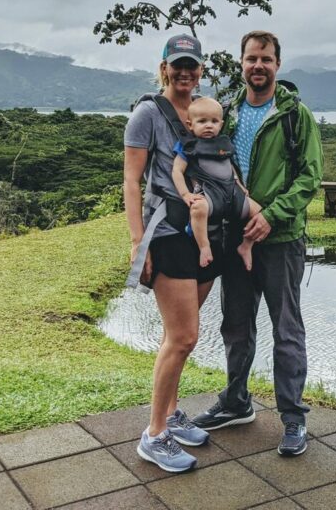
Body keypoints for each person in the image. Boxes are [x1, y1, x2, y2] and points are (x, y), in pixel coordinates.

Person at [191, 30, 324, 457]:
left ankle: (292, 419)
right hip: (234, 237)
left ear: (278, 65)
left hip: (280, 239)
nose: (258, 66)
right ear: (242, 63)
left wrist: (271, 215)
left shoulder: (293, 114)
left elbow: (309, 177)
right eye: (251, 58)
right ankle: (236, 401)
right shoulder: (226, 114)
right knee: (235, 324)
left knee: (286, 329)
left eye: (266, 59)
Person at [123, 34, 217, 473]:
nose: (185, 73)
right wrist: (137, 244)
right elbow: (132, 181)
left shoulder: (204, 112)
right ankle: (154, 434)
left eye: (192, 66)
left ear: (201, 70)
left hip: (202, 234)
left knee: (180, 336)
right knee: (183, 338)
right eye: (177, 65)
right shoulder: (147, 113)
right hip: (166, 231)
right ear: (164, 67)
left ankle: (172, 413)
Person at [170, 96, 263, 271]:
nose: (208, 125)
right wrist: (185, 194)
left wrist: (239, 184)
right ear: (190, 125)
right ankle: (204, 247)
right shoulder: (188, 146)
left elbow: (229, 166)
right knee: (198, 209)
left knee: (258, 212)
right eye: (202, 121)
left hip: (233, 193)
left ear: (220, 124)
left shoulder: (224, 143)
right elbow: (177, 170)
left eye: (214, 121)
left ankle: (246, 245)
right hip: (210, 194)